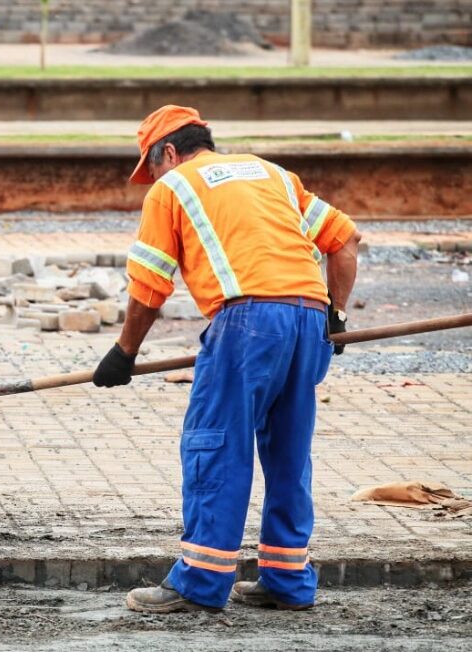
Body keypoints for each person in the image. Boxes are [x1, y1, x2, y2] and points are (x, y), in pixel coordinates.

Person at [93, 105, 360, 613]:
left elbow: (150, 286)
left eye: (150, 166)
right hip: (307, 319)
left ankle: (199, 583)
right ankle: (286, 580)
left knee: (215, 444)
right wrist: (337, 315)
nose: (151, 178)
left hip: (247, 322)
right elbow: (345, 241)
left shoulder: (172, 188)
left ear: (168, 152)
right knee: (288, 452)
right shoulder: (272, 174)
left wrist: (123, 354)